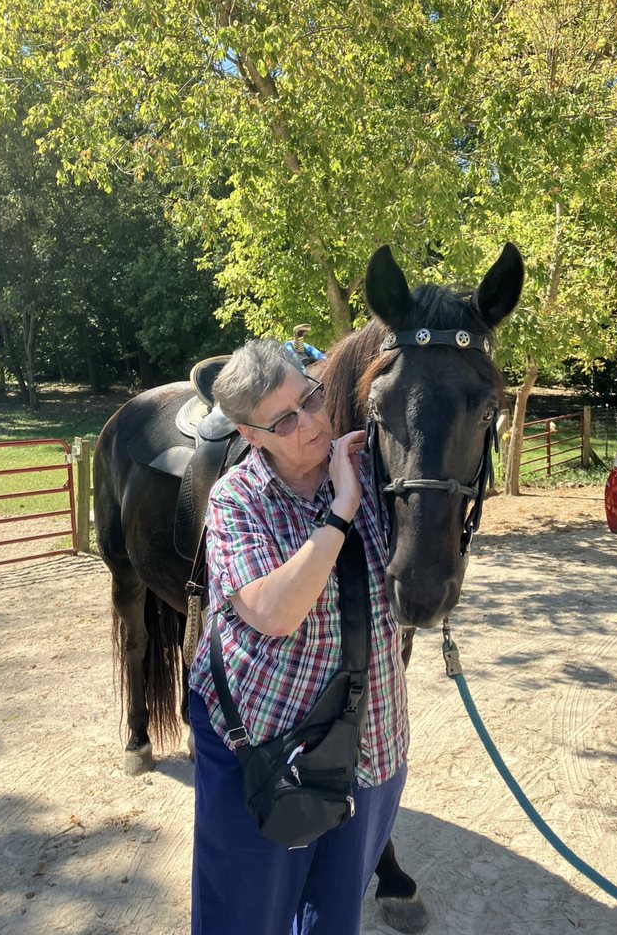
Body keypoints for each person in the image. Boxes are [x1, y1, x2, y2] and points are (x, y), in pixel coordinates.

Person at [187, 339, 409, 935]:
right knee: (244, 915)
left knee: (335, 916)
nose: (310, 422)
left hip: (373, 738)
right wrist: (340, 511)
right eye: (285, 420)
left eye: (310, 399)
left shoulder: (375, 467)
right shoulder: (237, 498)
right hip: (263, 743)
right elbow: (275, 611)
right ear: (251, 435)